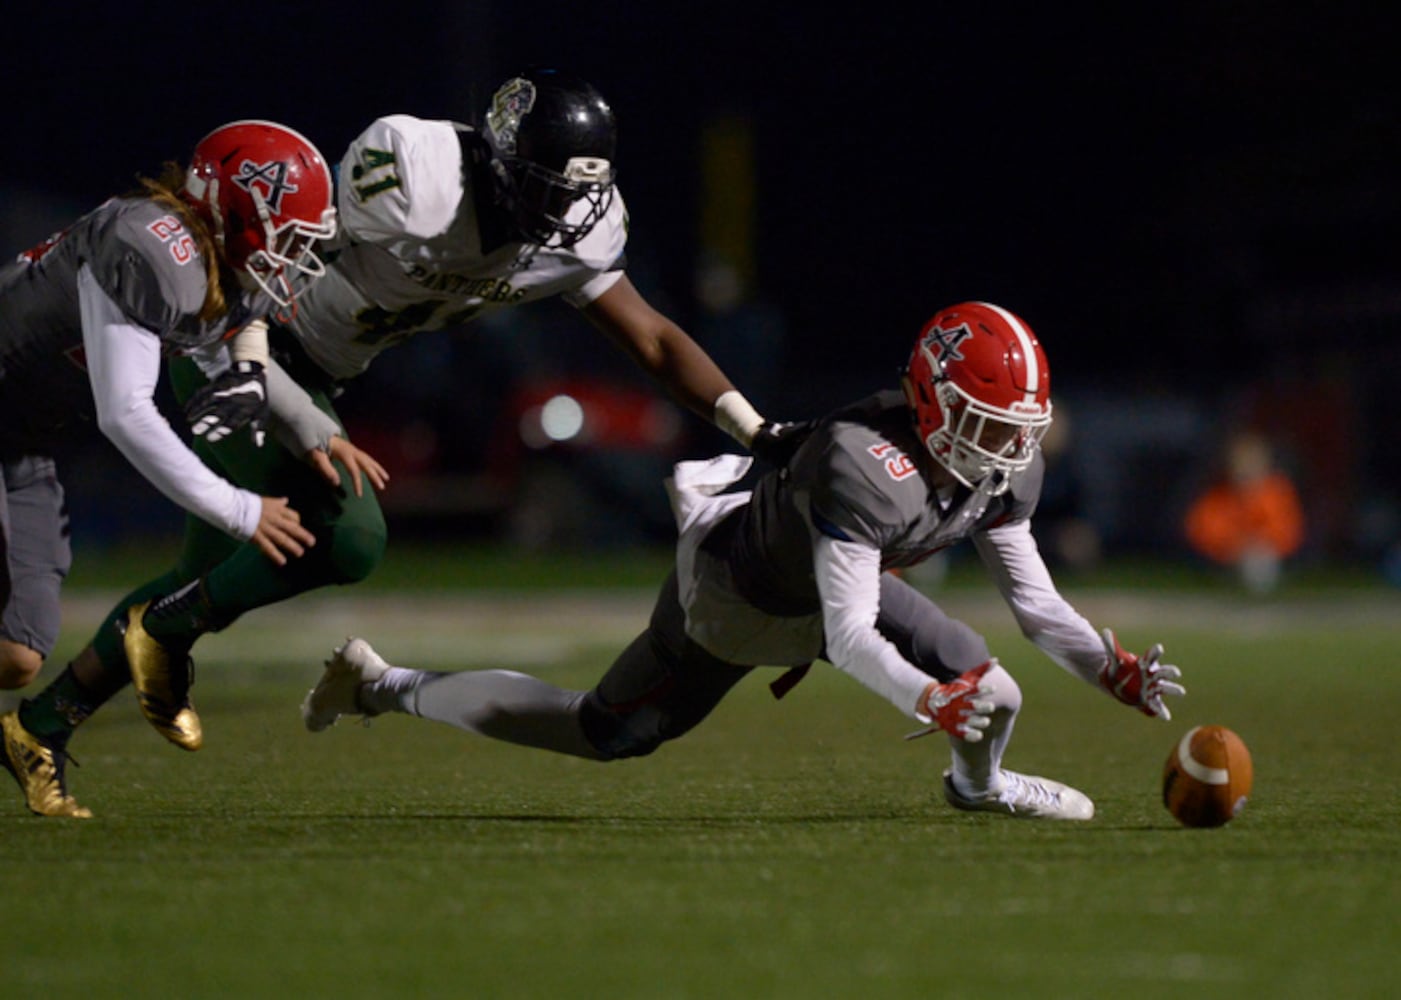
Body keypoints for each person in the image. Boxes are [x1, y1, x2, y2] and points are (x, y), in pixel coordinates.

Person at [1, 70, 803, 818]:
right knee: (347, 537)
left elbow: (654, 341)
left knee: (204, 573)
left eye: (579, 194)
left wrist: (756, 429)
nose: (567, 215)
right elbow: (257, 255)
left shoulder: (574, 229)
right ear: (503, 164)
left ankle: (43, 723)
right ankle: (162, 633)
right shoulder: (414, 176)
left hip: (318, 376)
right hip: (244, 360)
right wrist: (251, 369)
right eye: (550, 189)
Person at [302, 301, 1186, 821]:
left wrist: (1106, 668)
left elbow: (1032, 602)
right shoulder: (861, 464)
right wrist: (925, 696)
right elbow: (842, 635)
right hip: (736, 597)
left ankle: (976, 789)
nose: (999, 452)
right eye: (985, 427)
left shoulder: (993, 470)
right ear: (928, 402)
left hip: (839, 585)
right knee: (603, 731)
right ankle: (382, 684)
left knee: (995, 690)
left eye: (1013, 434)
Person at [0, 120, 394, 818]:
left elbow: (236, 346)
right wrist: (243, 510)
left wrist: (313, 428)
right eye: (289, 237)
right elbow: (125, 413)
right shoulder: (152, 248)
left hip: (22, 442)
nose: (296, 259)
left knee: (18, 655)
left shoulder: (206, 256)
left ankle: (35, 728)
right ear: (236, 211)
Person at [1184, 429, 1305, 594]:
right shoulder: (1219, 494)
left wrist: (1259, 541)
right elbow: (1200, 529)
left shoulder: (1277, 493)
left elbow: (1288, 532)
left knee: (1258, 561)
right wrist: (1232, 544)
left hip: (1266, 556)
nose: (1245, 470)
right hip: (1224, 559)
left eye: (1251, 462)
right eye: (1240, 463)